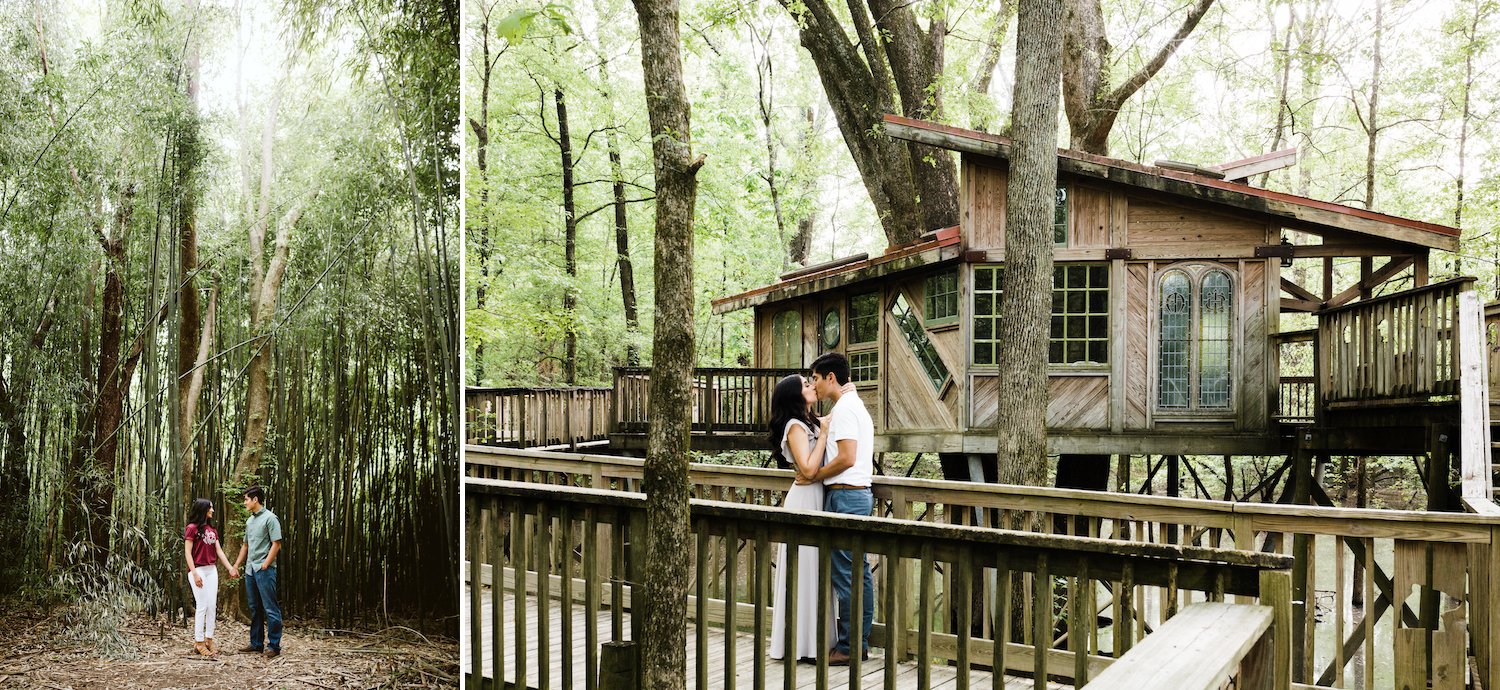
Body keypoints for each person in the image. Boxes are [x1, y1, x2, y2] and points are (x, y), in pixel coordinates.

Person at [803, 352, 875, 666]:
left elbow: (846, 457)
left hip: (845, 496)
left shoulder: (846, 408)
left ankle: (849, 647)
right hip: (854, 495)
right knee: (858, 575)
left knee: (847, 576)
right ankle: (857, 643)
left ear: (831, 377)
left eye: (816, 378)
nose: (813, 384)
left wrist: (815, 475)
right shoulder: (850, 405)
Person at [768, 374, 835, 662]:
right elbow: (807, 469)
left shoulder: (811, 420)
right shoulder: (795, 426)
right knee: (805, 568)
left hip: (817, 496)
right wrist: (823, 433)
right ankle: (801, 644)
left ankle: (818, 641)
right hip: (804, 500)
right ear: (795, 395)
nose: (812, 386)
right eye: (806, 385)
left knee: (819, 569)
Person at [231, 485, 283, 659]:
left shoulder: (270, 518)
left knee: (270, 608)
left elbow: (276, 543)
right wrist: (236, 565)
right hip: (250, 570)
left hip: (264, 569)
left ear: (255, 500)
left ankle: (274, 645)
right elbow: (245, 546)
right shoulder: (250, 521)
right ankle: (256, 644)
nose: (244, 502)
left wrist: (266, 564)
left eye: (246, 499)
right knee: (255, 608)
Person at [183, 498, 237, 656]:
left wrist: (230, 569)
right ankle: (199, 642)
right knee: (201, 605)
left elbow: (219, 551)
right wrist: (194, 573)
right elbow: (187, 552)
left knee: (212, 606)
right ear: (203, 509)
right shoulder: (192, 528)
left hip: (211, 570)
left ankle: (209, 640)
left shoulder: (212, 530)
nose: (212, 510)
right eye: (210, 508)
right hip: (198, 569)